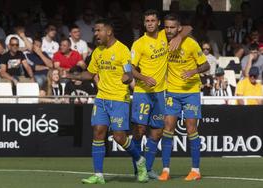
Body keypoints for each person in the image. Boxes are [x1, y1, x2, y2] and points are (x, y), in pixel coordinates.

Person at [72, 18, 148, 184]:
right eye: (95, 31)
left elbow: (129, 73)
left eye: (99, 30)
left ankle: (140, 160)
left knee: (120, 137)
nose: (96, 34)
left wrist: (127, 78)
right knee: (98, 132)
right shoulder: (98, 51)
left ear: (109, 31)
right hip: (101, 98)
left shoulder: (122, 50)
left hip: (119, 98)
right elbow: (90, 73)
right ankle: (98, 175)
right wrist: (72, 75)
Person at [131, 9, 191, 179]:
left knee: (157, 132)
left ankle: (148, 169)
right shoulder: (139, 43)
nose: (150, 23)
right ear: (144, 24)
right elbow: (130, 69)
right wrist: (143, 77)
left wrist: (179, 37)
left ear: (158, 23)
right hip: (143, 92)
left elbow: (188, 28)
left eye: (152, 20)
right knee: (139, 131)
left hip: (160, 93)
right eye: (147, 21)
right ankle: (138, 169)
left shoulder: (166, 35)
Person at [158, 14, 209, 181]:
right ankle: (165, 170)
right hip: (172, 91)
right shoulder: (161, 40)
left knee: (191, 130)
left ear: (178, 28)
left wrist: (193, 71)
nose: (169, 30)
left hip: (191, 92)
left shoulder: (191, 43)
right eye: (166, 27)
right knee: (167, 129)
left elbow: (206, 65)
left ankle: (196, 170)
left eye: (173, 27)